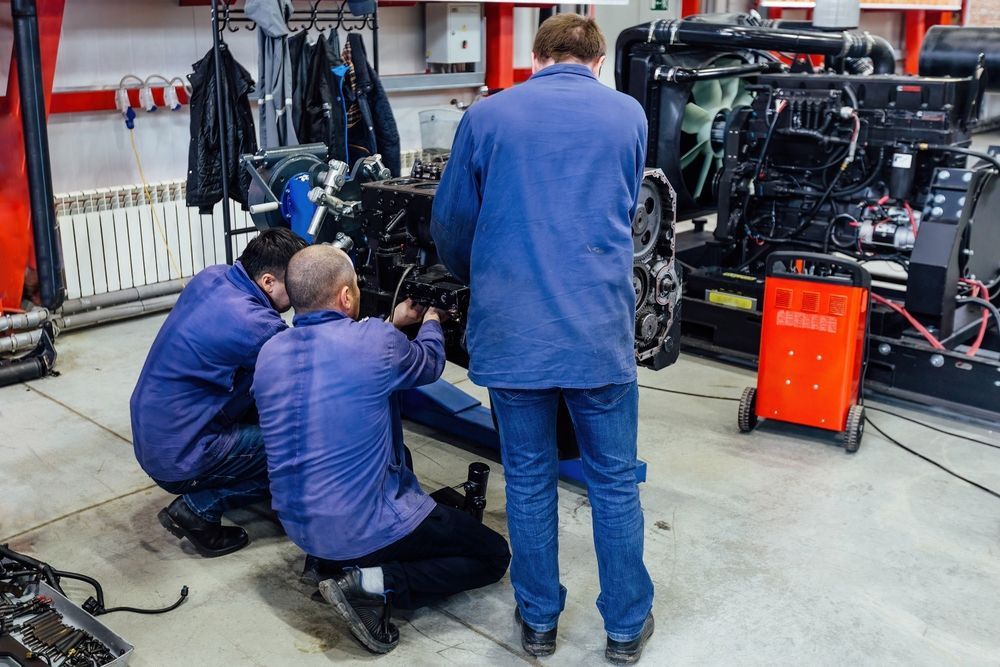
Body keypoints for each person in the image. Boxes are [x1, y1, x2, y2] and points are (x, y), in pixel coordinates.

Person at [430, 13, 654, 665]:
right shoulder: (628, 116)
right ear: (599, 61)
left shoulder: (487, 117)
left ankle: (538, 624)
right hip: (598, 332)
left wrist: (496, 275)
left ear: (535, 56)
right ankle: (624, 627)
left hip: (513, 333)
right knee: (613, 483)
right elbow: (623, 204)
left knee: (528, 479)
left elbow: (451, 226)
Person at [253, 245, 511, 654]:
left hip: (298, 524)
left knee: (396, 459)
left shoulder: (270, 352)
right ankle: (373, 586)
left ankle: (328, 563)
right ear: (346, 297)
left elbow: (350, 356)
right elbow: (428, 362)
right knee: (493, 555)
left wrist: (394, 323)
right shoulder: (376, 342)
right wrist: (430, 320)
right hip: (359, 530)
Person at [130, 228, 307, 558]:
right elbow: (314, 370)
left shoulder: (213, 276)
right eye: (295, 284)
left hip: (153, 435)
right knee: (303, 447)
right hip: (180, 455)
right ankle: (199, 509)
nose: (300, 291)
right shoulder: (256, 324)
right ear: (268, 282)